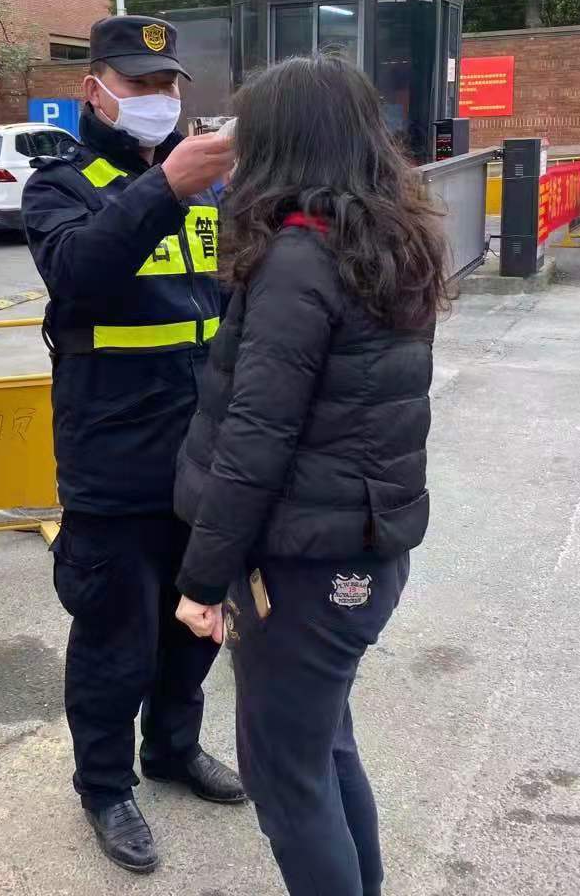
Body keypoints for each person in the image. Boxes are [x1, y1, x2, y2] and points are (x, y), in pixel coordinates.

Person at [171, 55, 448, 896]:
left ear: (280, 145)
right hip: (361, 551)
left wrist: (201, 582)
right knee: (324, 749)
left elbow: (255, 441)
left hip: (304, 569)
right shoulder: (388, 238)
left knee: (286, 780)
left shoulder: (297, 259)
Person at [21, 15, 244, 874]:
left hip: (202, 456)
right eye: (140, 83)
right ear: (96, 90)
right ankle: (106, 785)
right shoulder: (61, 187)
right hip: (113, 462)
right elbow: (78, 275)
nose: (159, 98)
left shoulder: (210, 190)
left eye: (168, 84)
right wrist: (164, 188)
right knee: (114, 639)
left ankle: (174, 748)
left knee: (196, 625)